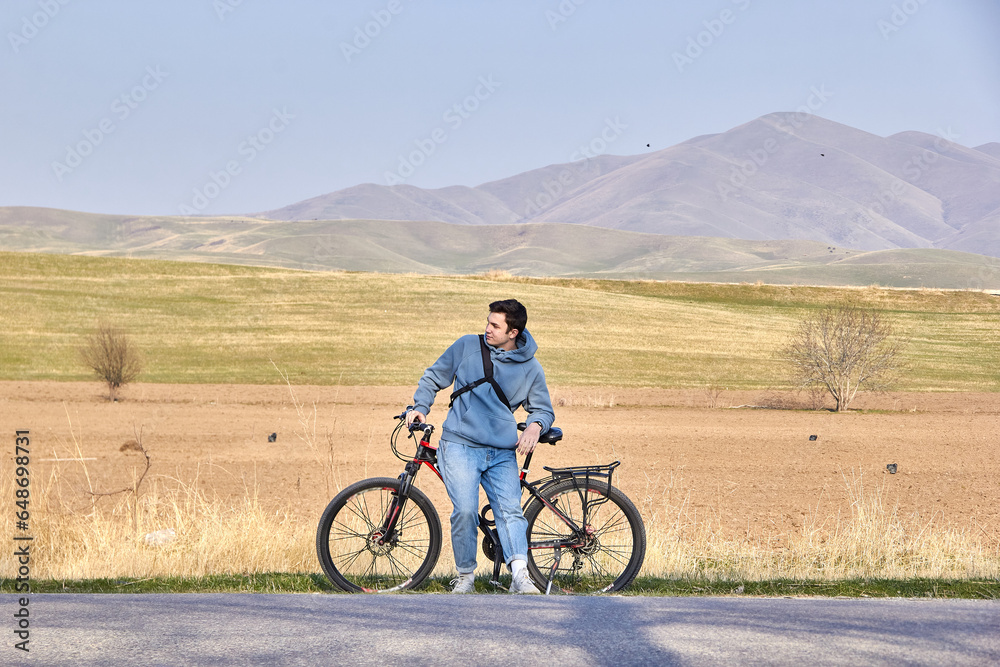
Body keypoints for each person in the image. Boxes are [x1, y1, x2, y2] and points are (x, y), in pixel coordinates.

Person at [406, 299, 555, 594]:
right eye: (488, 322)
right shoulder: (466, 346)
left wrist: (535, 426)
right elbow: (434, 376)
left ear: (513, 332)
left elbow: (544, 409)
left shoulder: (530, 367)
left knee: (510, 511)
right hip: (459, 443)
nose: (487, 329)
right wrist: (420, 406)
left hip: (500, 451)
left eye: (495, 325)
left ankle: (520, 576)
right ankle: (465, 577)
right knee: (464, 511)